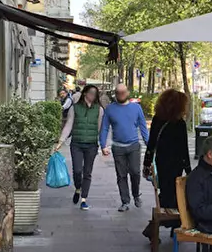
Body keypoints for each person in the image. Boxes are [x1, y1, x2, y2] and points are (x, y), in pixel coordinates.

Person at [142, 89, 192, 239]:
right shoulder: (180, 124)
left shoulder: (158, 119)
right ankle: (164, 224)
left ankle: (158, 224)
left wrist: (147, 163)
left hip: (162, 162)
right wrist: (189, 170)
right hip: (175, 164)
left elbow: (151, 144)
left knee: (165, 193)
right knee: (176, 195)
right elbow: (183, 149)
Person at [99, 84, 150, 212]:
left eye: (123, 92)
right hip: (118, 147)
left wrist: (149, 145)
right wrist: (103, 145)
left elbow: (143, 127)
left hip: (133, 146)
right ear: (115, 94)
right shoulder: (110, 109)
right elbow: (104, 127)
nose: (121, 94)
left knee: (135, 172)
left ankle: (136, 195)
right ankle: (125, 201)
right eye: (118, 92)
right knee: (121, 175)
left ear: (127, 93)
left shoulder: (136, 108)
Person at [55, 84, 104, 211]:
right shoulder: (74, 108)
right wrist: (60, 141)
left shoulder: (99, 109)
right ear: (85, 93)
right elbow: (68, 125)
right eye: (91, 93)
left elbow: (100, 129)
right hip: (76, 143)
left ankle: (84, 199)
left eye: (95, 94)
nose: (93, 96)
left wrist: (102, 144)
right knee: (77, 170)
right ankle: (78, 188)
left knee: (87, 172)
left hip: (91, 145)